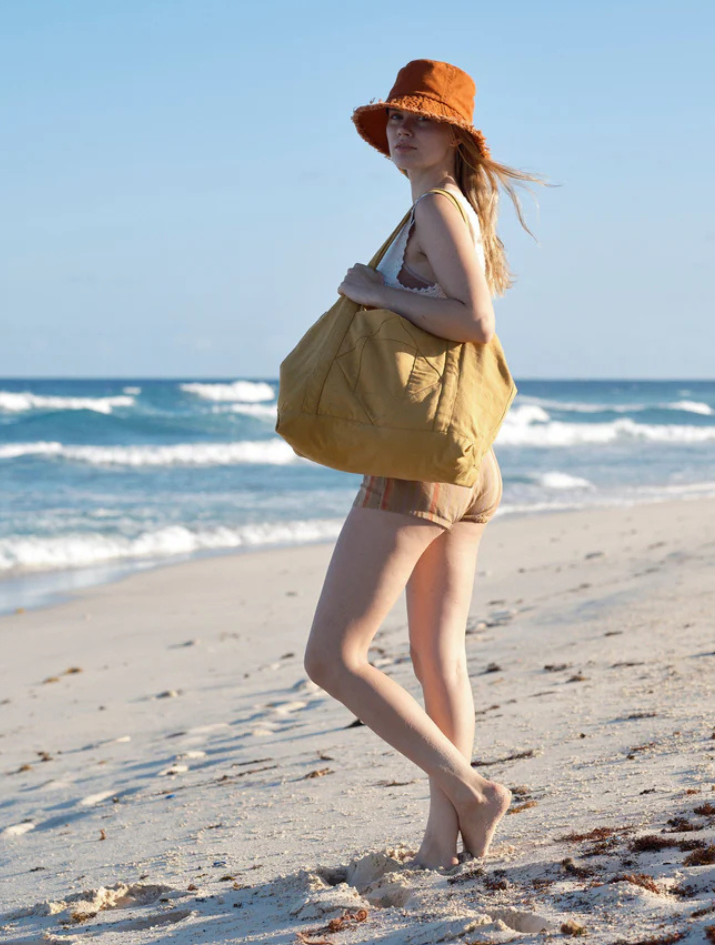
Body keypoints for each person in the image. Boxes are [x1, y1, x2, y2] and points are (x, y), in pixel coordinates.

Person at [303, 59, 544, 870]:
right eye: (396, 119)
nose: (403, 129)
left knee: (333, 657)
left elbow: (473, 322)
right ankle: (444, 845)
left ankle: (473, 792)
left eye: (421, 119)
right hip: (469, 464)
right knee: (439, 656)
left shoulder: (438, 207)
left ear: (454, 138)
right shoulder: (457, 209)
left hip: (420, 466)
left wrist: (380, 294)